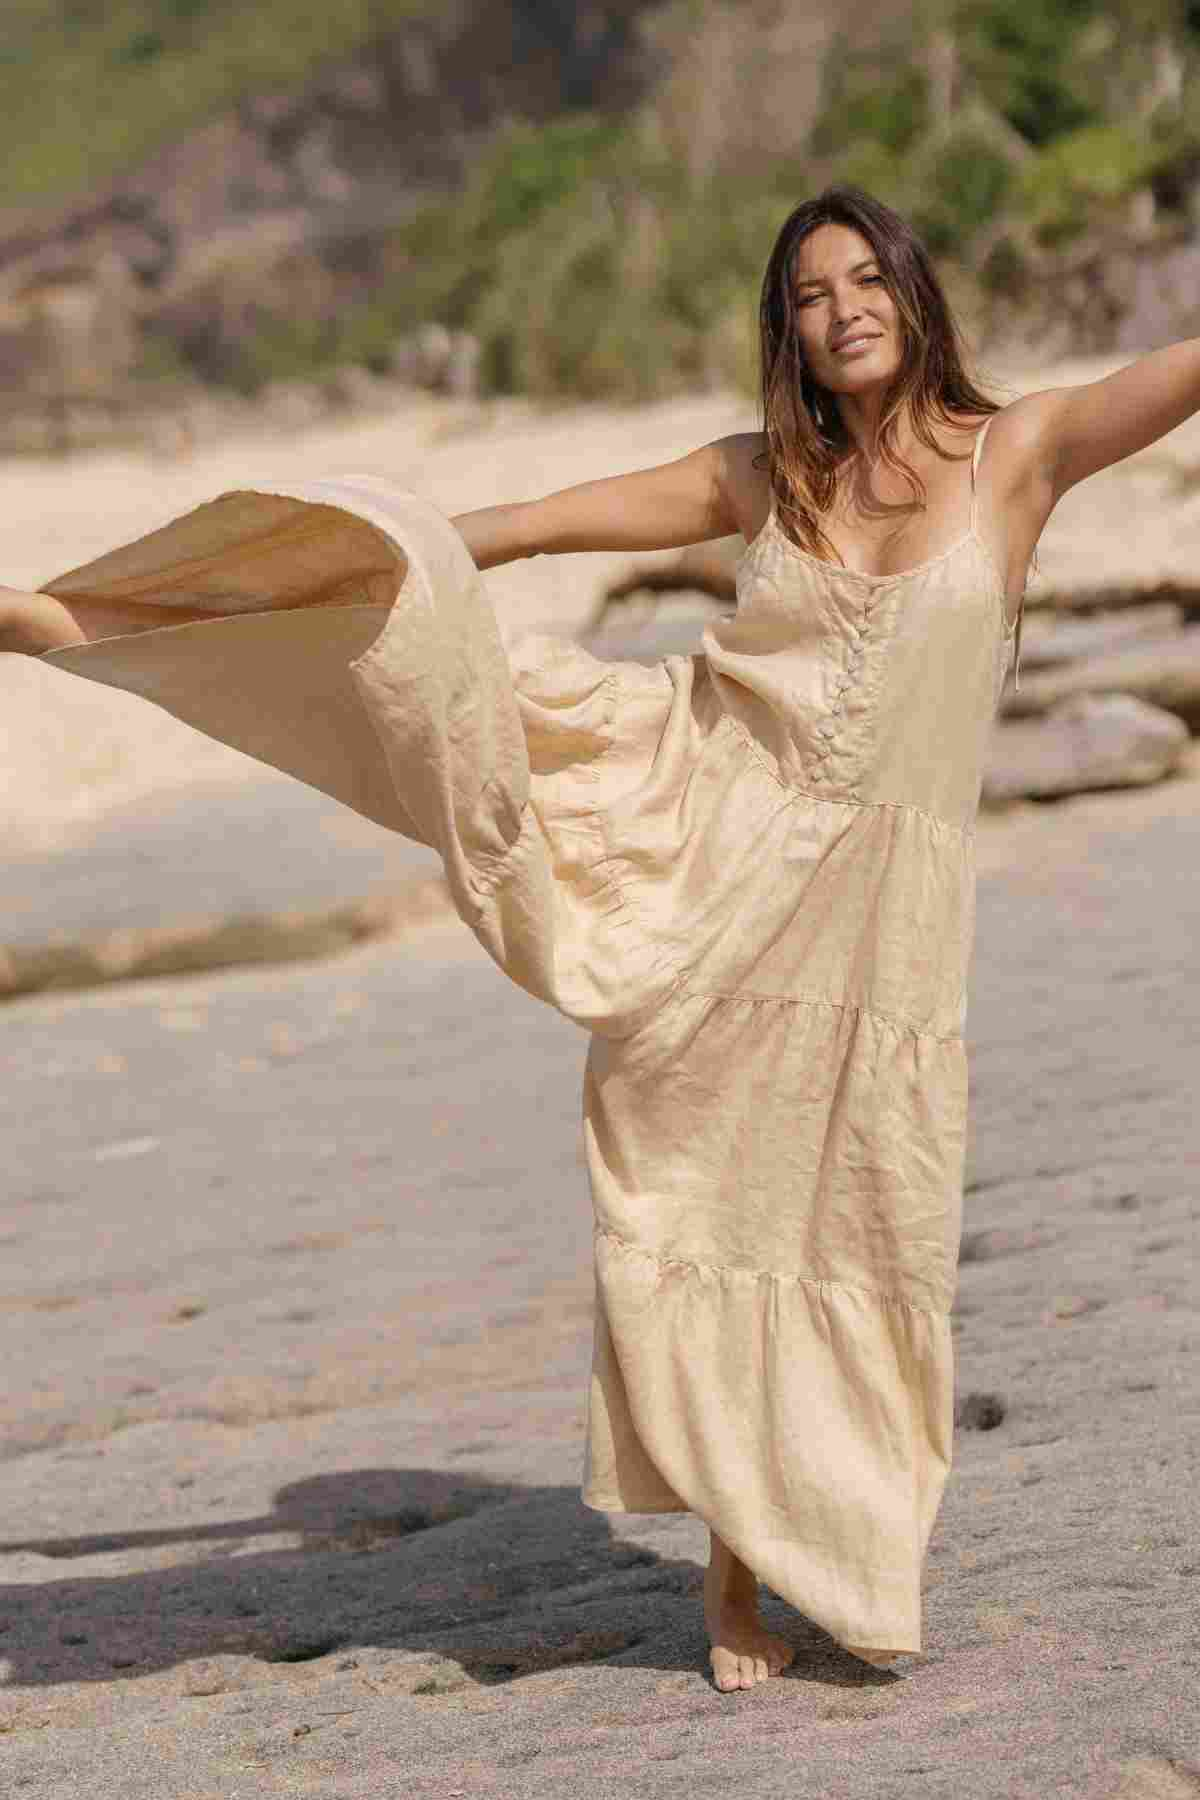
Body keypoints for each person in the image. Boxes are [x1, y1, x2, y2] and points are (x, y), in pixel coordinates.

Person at [3, 185, 1198, 1694]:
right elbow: (512, 529)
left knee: (847, 1222)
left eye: (862, 279)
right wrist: (337, 553)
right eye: (811, 294)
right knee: (705, 1202)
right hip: (697, 837)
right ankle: (91, 626)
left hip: (879, 932)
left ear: (911, 288)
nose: (843, 310)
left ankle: (803, 1545)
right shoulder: (761, 478)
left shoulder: (1025, 453)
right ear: (793, 331)